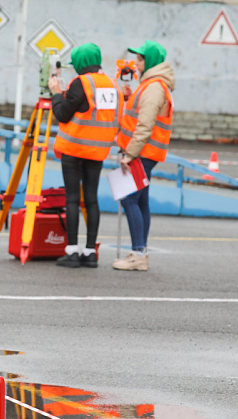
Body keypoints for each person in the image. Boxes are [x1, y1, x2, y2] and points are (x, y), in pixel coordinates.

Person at [50, 43, 123, 268]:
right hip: (98, 149)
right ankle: (90, 252)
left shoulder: (81, 83)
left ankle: (72, 251)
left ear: (80, 63)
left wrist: (55, 93)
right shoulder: (113, 85)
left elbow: (62, 114)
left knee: (73, 198)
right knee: (91, 199)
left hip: (74, 147)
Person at [113, 40, 175, 271]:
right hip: (145, 152)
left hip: (142, 152)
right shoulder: (150, 85)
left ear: (150, 62)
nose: (135, 64)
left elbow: (145, 125)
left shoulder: (153, 87)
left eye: (140, 60)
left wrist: (130, 154)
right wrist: (129, 99)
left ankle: (138, 254)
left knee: (130, 199)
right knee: (141, 201)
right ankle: (140, 252)